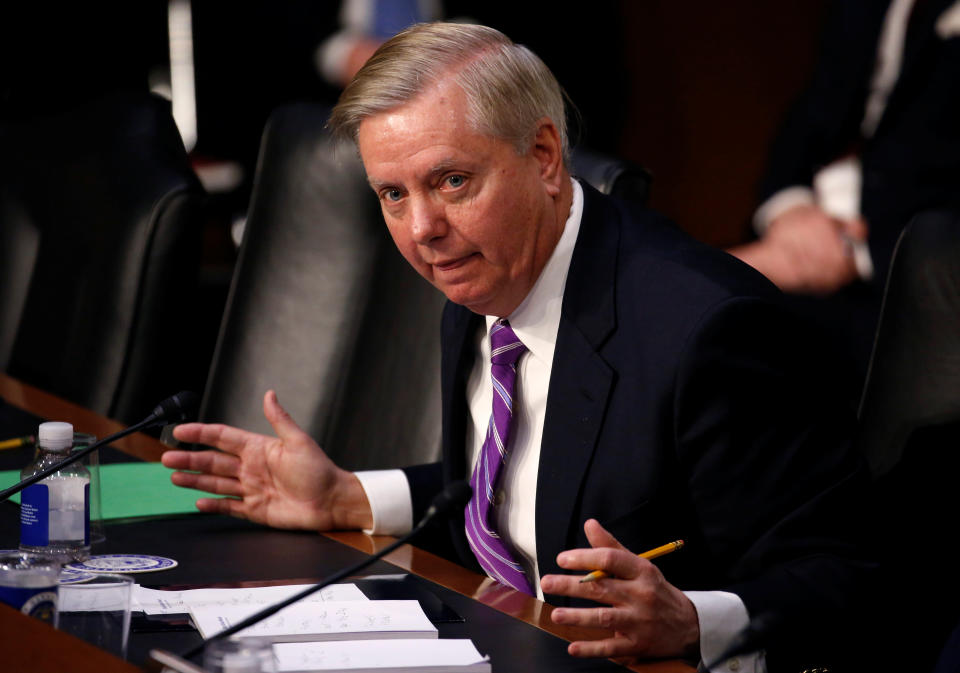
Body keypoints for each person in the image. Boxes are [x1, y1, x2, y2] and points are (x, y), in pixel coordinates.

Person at [163, 22, 874, 672]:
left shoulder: (709, 329)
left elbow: (846, 572)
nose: (422, 229)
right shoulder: (481, 274)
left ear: (541, 156)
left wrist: (691, 618)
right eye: (392, 194)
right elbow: (527, 474)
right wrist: (350, 494)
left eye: (451, 181)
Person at [728, 0, 960, 384]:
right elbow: (814, 111)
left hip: (908, 288)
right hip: (808, 230)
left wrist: (847, 252)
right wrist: (788, 206)